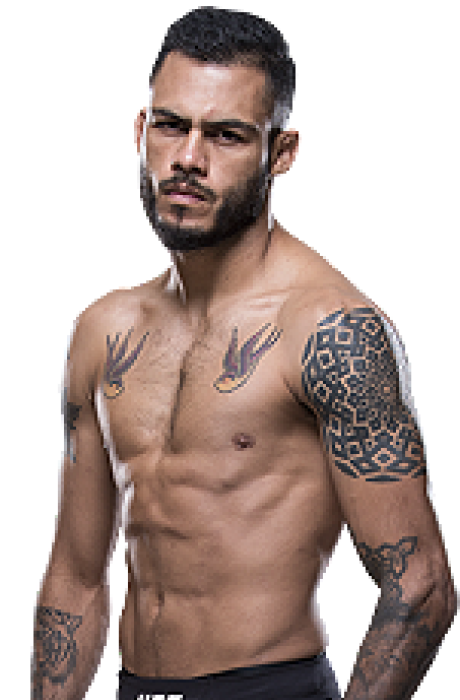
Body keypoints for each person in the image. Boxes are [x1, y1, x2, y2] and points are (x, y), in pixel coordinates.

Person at [32, 7, 457, 700]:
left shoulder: (327, 328)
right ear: (140, 131)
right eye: (171, 126)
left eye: (226, 135)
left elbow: (420, 585)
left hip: (268, 688)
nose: (188, 159)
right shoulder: (102, 332)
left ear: (281, 152)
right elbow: (75, 581)